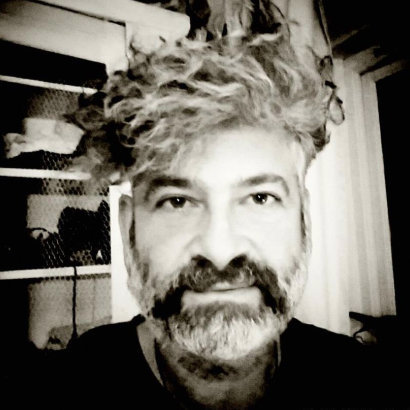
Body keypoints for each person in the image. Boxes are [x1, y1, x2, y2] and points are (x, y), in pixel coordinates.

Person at [54, 1, 396, 408]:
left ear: (304, 220)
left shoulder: (364, 383)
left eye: (260, 197)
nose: (220, 251)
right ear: (128, 233)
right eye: (177, 201)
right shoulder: (66, 387)